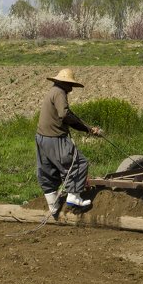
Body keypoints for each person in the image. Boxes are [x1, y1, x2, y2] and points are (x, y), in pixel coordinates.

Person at [36, 68, 102, 213]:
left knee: (48, 169)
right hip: (54, 137)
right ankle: (73, 196)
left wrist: (87, 128)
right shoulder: (60, 92)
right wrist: (88, 129)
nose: (71, 88)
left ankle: (52, 204)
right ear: (63, 83)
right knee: (79, 163)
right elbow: (65, 115)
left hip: (42, 137)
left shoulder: (52, 91)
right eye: (70, 85)